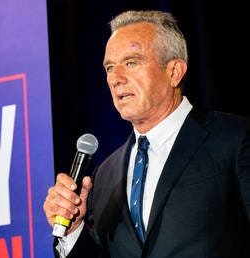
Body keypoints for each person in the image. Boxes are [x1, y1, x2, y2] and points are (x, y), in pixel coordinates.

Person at [43, 9, 250, 258]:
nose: (115, 79)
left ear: (174, 72)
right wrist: (73, 230)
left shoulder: (235, 139)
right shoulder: (105, 175)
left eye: (131, 62)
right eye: (109, 67)